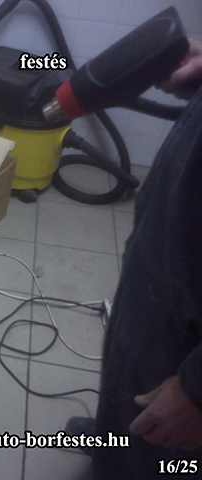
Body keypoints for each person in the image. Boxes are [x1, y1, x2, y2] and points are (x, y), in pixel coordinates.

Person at [68, 38, 202, 479]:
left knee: (164, 428)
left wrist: (196, 391)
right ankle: (116, 435)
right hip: (168, 265)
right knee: (136, 349)